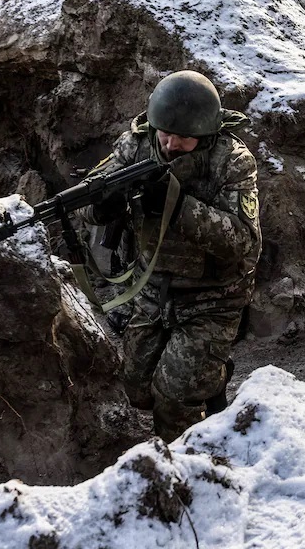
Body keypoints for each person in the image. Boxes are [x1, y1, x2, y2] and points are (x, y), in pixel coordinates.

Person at [83, 70, 261, 442]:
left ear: (206, 134)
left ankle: (182, 467)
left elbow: (244, 241)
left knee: (173, 402)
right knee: (138, 389)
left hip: (213, 298)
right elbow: (89, 198)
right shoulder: (136, 144)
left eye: (184, 138)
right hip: (153, 289)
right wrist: (103, 205)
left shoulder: (232, 161)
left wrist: (177, 205)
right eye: (165, 133)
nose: (171, 144)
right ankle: (211, 377)